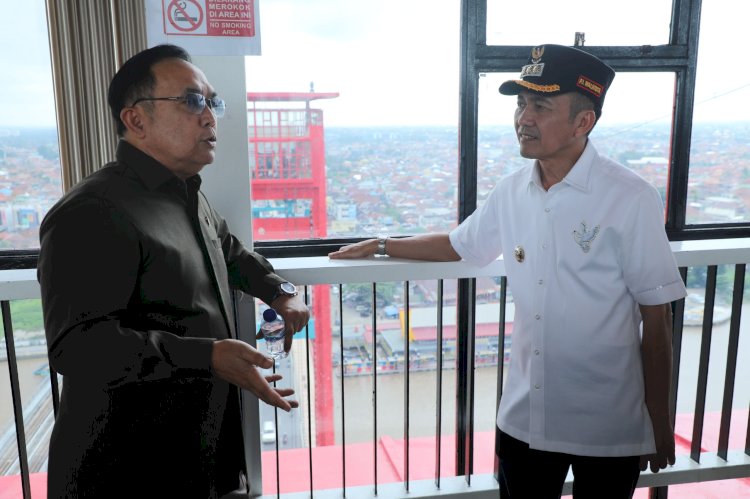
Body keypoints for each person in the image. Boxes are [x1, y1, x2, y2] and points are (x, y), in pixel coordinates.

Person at [329, 43, 687, 498]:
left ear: (583, 122)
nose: (523, 118)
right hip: (525, 414)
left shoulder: (630, 197)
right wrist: (382, 245)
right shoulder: (512, 191)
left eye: (541, 105)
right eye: (520, 104)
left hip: (608, 421)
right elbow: (460, 244)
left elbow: (657, 318)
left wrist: (657, 422)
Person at [37, 44, 310, 498]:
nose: (210, 117)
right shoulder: (92, 212)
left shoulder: (185, 193)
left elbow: (227, 249)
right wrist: (207, 355)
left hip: (198, 453)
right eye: (191, 101)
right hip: (127, 468)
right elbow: (77, 346)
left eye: (212, 101)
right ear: (136, 120)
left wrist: (280, 290)